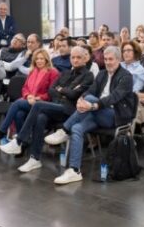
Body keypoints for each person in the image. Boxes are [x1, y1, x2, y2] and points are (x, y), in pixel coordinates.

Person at [45, 46, 136, 184]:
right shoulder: (102, 74)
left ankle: (64, 130)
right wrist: (81, 99)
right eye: (105, 59)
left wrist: (92, 104)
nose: (108, 62)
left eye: (111, 59)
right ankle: (74, 171)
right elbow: (91, 90)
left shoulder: (126, 76)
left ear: (119, 59)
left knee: (91, 100)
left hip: (115, 115)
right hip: (96, 113)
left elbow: (114, 97)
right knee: (77, 128)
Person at [13, 46, 94, 173]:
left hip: (70, 112)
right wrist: (65, 91)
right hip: (56, 107)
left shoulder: (88, 75)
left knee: (38, 105)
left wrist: (61, 90)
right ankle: (35, 159)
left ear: (85, 59)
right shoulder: (66, 73)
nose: (75, 60)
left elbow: (73, 95)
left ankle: (19, 141)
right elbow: (52, 90)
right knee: (40, 118)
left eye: (79, 57)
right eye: (73, 57)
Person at [0, 49, 59, 153]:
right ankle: (23, 144)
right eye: (37, 58)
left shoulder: (53, 72)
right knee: (19, 114)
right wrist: (28, 96)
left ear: (47, 59)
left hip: (42, 103)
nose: (39, 61)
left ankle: (2, 130)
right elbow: (25, 88)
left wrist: (38, 98)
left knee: (16, 104)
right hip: (29, 100)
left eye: (42, 58)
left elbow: (52, 93)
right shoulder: (33, 71)